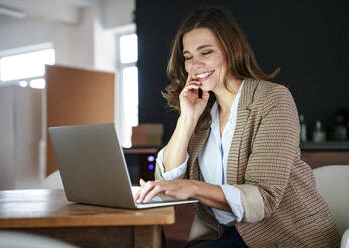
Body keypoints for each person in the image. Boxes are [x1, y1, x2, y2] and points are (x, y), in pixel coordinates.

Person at [134, 6, 340, 248]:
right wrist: (187, 118)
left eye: (206, 52)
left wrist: (191, 188)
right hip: (227, 236)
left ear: (231, 51)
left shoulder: (272, 99)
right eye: (188, 57)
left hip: (286, 238)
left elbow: (264, 198)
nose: (195, 65)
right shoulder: (202, 113)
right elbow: (167, 177)